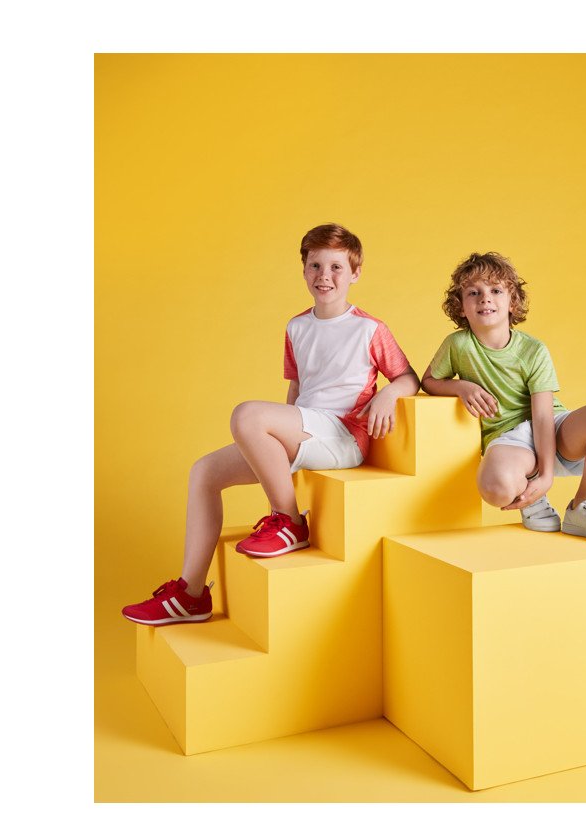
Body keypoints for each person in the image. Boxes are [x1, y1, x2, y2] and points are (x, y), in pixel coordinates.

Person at [122, 223, 420, 625]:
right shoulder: (296, 327)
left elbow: (407, 376)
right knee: (204, 472)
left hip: (342, 436)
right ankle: (191, 595)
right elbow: (297, 389)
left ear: (355, 273)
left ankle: (290, 523)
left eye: (336, 267)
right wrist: (274, 449)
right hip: (306, 430)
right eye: (315, 266)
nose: (324, 276)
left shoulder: (369, 329)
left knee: (246, 414)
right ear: (304, 270)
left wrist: (388, 394)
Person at [420, 251, 586, 544]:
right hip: (509, 438)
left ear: (512, 302)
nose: (485, 299)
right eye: (474, 293)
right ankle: (531, 496)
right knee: (495, 488)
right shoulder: (457, 345)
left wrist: (547, 475)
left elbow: (544, 416)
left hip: (554, 427)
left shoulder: (533, 350)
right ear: (461, 307)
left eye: (496, 291)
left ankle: (583, 505)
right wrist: (461, 387)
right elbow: (429, 381)